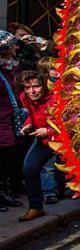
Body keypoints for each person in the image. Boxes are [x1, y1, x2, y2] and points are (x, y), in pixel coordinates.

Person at [17, 71, 67, 222]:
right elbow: (32, 116)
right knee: (29, 168)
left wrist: (49, 130)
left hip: (64, 141)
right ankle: (36, 207)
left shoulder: (55, 99)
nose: (31, 91)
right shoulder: (25, 98)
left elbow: (69, 123)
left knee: (71, 177)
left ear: (43, 86)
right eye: (27, 88)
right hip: (44, 141)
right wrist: (28, 125)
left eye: (36, 87)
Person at [0, 31, 23, 210]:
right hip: (2, 121)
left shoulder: (10, 67)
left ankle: (3, 191)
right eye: (13, 44)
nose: (17, 47)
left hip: (9, 119)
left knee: (7, 159)